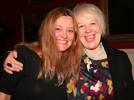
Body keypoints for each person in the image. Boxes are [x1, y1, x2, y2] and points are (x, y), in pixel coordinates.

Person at [3, 3, 134, 100]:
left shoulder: (119, 59)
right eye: (81, 26)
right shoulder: (71, 56)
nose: (88, 30)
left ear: (101, 25)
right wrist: (12, 54)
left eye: (93, 23)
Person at [0, 7, 83, 100]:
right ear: (48, 31)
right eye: (58, 29)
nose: (64, 35)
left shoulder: (71, 64)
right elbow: (4, 95)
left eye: (70, 30)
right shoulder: (24, 55)